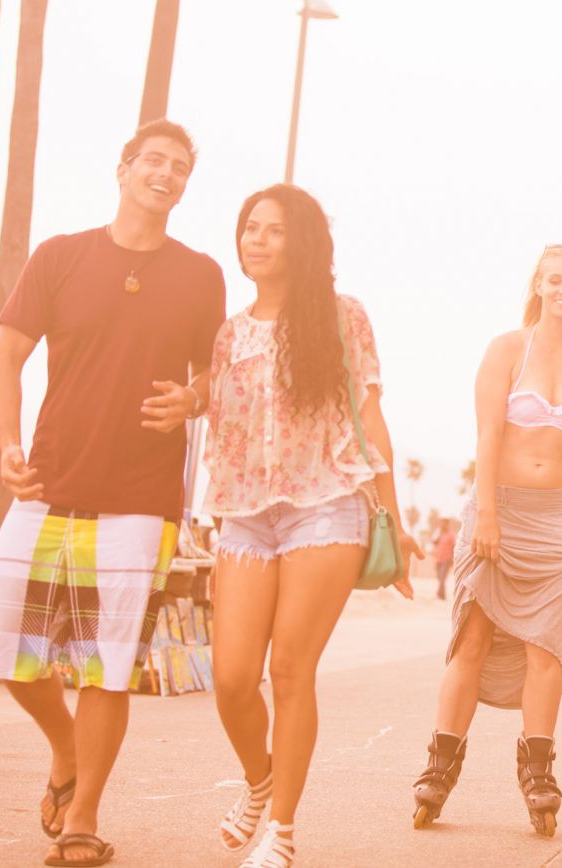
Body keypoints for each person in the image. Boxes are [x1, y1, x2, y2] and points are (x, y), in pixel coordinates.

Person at [0, 120, 225, 868]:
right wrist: (9, 445)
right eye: (154, 160)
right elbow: (5, 356)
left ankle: (83, 819)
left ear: (184, 184)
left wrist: (193, 400)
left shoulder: (200, 273)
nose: (166, 174)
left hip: (142, 496)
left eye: (179, 166)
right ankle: (65, 747)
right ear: (123, 168)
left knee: (107, 663)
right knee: (4, 646)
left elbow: (215, 375)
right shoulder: (61, 257)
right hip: (47, 481)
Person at [205, 184, 419, 868]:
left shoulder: (342, 315)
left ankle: (284, 831)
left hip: (325, 503)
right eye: (249, 228)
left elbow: (371, 414)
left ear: (302, 242)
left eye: (271, 230)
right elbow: (222, 424)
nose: (256, 239)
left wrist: (392, 512)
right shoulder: (230, 333)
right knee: (233, 677)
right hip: (243, 512)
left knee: (291, 669)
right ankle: (260, 781)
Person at [411, 244, 562, 837]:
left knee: (545, 648)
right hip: (500, 508)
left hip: (559, 520)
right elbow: (488, 435)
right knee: (473, 634)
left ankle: (539, 770)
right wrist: (489, 511)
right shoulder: (505, 349)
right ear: (538, 285)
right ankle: (440, 764)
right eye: (554, 280)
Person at [432, 519, 458, 600]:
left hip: (446, 560)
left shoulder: (451, 535)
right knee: (439, 578)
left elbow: (455, 547)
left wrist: (452, 560)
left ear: (447, 524)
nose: (442, 525)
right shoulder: (439, 534)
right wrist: (438, 533)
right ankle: (440, 593)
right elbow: (434, 542)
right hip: (438, 559)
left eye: (444, 523)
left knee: (442, 578)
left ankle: (442, 595)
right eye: (441, 523)